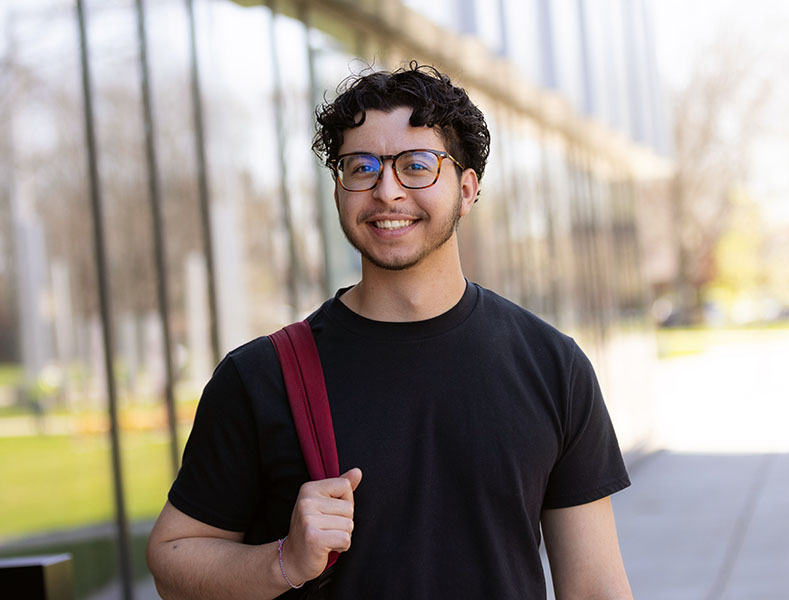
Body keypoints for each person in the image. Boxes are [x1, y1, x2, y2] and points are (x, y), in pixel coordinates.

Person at [146, 62, 633, 600]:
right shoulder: (261, 377)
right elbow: (172, 559)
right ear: (338, 193)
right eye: (361, 167)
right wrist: (282, 560)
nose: (387, 191)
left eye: (417, 165)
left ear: (467, 189)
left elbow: (594, 586)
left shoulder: (552, 366)